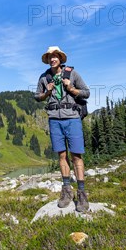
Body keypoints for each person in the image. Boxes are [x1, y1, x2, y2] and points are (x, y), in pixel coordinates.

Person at [35, 46, 90, 212]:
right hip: (54, 120)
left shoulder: (72, 74)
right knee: (62, 155)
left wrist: (71, 88)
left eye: (55, 56)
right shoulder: (44, 77)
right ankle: (66, 191)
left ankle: (81, 193)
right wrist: (47, 92)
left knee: (76, 156)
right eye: (50, 57)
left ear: (60, 58)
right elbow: (38, 96)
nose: (52, 59)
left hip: (72, 118)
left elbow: (86, 92)